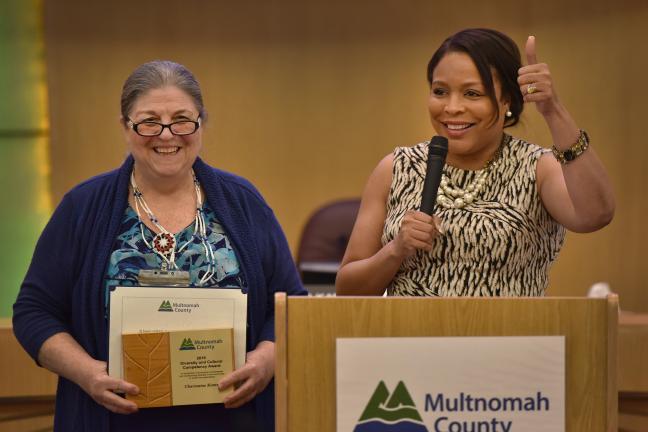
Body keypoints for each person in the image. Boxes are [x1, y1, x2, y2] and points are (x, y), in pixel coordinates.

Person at [13, 60, 305, 431]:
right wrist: (87, 374)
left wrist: (267, 360)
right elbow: (34, 311)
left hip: (233, 419)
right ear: (125, 126)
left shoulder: (243, 202)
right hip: (111, 420)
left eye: (182, 119)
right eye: (149, 121)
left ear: (201, 123)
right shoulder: (82, 206)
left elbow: (290, 305)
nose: (167, 135)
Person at [336, 28, 615, 297]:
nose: (452, 107)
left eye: (472, 93)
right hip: (408, 341)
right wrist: (395, 250)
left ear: (507, 99)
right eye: (440, 91)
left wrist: (552, 110)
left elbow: (595, 215)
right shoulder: (397, 167)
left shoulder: (536, 167)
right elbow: (347, 290)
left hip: (509, 341)